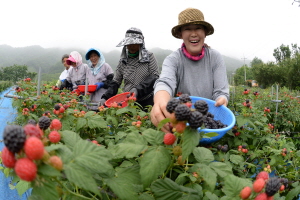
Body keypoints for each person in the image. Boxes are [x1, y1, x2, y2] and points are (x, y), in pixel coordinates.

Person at [150, 8, 229, 132]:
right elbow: (165, 82)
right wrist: (160, 102)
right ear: (181, 34)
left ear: (205, 33)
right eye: (187, 29)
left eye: (198, 28)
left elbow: (221, 92)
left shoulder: (215, 58)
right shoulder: (173, 60)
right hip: (182, 122)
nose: (193, 33)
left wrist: (222, 99)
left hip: (208, 121)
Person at [99, 27, 159, 108]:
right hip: (127, 102)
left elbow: (154, 77)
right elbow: (116, 82)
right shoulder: (123, 61)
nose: (131, 46)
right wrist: (105, 97)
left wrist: (137, 90)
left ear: (141, 44)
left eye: (134, 43)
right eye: (129, 44)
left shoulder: (149, 57)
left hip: (146, 101)